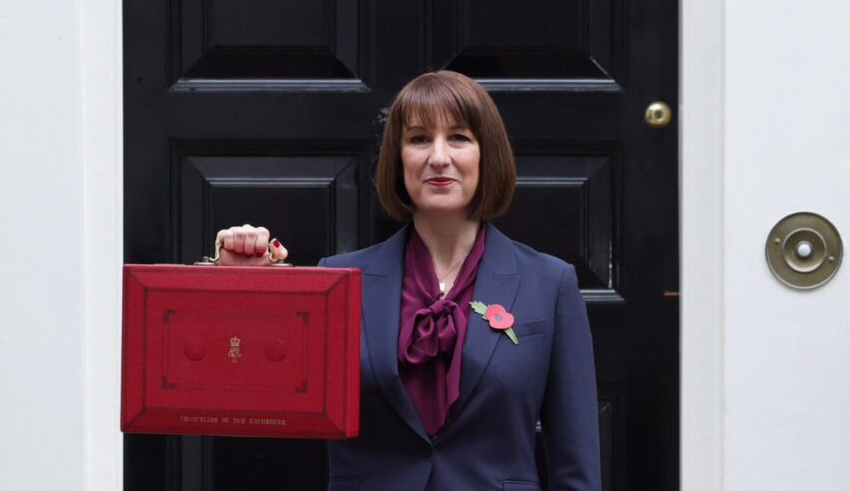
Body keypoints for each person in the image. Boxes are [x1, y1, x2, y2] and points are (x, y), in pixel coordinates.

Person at [216, 70, 600, 490]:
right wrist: (240, 287)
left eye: (458, 137)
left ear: (486, 154)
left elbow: (575, 465)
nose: (438, 157)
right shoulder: (339, 281)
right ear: (398, 159)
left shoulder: (549, 283)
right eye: (419, 139)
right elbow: (254, 399)